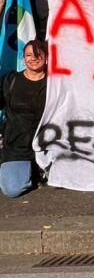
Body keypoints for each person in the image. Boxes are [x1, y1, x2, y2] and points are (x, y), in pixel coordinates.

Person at [0, 39, 48, 198]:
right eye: (28, 55)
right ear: (23, 58)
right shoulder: (11, 81)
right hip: (17, 147)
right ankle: (30, 172)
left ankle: (37, 169)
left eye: (38, 55)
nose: (33, 58)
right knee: (12, 189)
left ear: (46, 58)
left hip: (47, 146)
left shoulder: (55, 83)